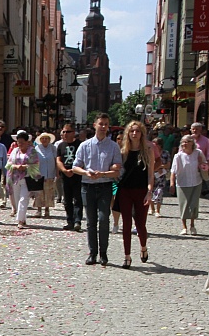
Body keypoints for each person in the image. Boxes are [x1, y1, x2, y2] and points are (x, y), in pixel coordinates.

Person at [72, 113, 121, 265]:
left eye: (106, 124)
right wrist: (86, 172)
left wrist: (104, 173)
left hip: (105, 185)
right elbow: (75, 167)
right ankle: (92, 253)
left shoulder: (113, 146)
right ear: (95, 125)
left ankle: (103, 253)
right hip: (88, 186)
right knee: (91, 221)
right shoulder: (85, 145)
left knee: (103, 219)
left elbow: (117, 169)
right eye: (101, 124)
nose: (103, 127)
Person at [117, 121, 155, 268]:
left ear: (142, 133)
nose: (134, 134)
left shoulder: (148, 150)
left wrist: (149, 191)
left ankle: (143, 247)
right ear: (128, 133)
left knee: (140, 224)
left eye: (137, 131)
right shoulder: (123, 151)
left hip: (141, 191)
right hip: (125, 191)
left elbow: (151, 175)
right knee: (126, 224)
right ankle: (127, 256)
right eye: (132, 131)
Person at [170, 135, 205, 235]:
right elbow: (173, 171)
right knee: (184, 205)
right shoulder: (178, 156)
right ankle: (184, 227)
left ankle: (192, 226)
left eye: (187, 142)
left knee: (193, 205)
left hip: (196, 182)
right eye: (183, 142)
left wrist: (201, 163)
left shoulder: (198, 153)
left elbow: (205, 165)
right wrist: (172, 184)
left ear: (192, 143)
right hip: (182, 183)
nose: (184, 144)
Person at [6, 130, 41, 229]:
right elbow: (8, 164)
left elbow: (36, 164)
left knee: (23, 198)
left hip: (27, 178)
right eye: (18, 142)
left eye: (22, 142)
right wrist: (15, 166)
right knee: (17, 199)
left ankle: (20, 220)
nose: (20, 144)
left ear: (27, 142)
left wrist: (25, 166)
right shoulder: (15, 151)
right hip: (15, 178)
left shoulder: (32, 151)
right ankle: (22, 217)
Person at [55, 125, 82, 231]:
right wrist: (64, 171)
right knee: (67, 200)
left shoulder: (80, 144)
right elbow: (58, 160)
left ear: (73, 132)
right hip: (65, 176)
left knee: (77, 199)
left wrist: (74, 170)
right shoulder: (61, 145)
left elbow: (83, 159)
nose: (65, 134)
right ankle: (69, 221)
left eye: (68, 132)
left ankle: (77, 221)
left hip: (77, 175)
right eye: (64, 132)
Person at [33, 132, 58, 217]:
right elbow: (35, 161)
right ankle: (39, 209)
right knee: (39, 192)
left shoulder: (53, 148)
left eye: (46, 138)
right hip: (40, 172)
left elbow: (56, 160)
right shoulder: (37, 148)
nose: (44, 140)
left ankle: (47, 209)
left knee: (49, 191)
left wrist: (57, 173)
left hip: (50, 172)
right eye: (43, 138)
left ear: (49, 140)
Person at [150, 137, 167, 218]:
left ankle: (158, 210)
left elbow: (168, 165)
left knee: (159, 192)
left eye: (155, 144)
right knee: (151, 191)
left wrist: (160, 167)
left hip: (161, 176)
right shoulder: (150, 152)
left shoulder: (165, 153)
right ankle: (152, 208)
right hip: (152, 175)